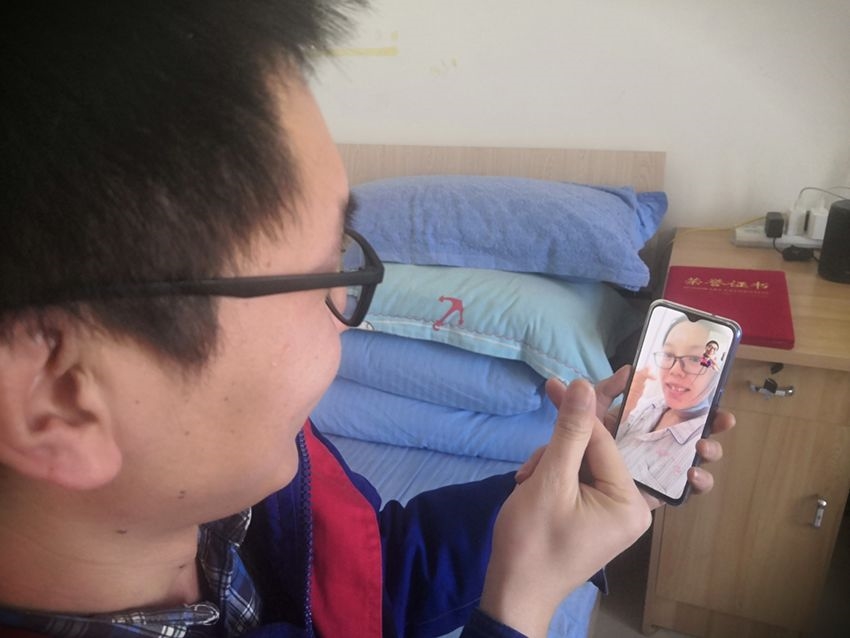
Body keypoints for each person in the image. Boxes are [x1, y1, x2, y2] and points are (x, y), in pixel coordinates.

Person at [0, 3, 735, 637]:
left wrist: (543, 498)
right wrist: (517, 609)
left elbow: (370, 578)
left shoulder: (265, 479)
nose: (347, 320)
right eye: (325, 276)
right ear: (59, 399)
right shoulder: (241, 456)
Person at [615, 318, 727, 499]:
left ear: (717, 372)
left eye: (695, 359)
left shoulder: (696, 446)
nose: (675, 370)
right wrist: (626, 410)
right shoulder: (647, 405)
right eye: (668, 354)